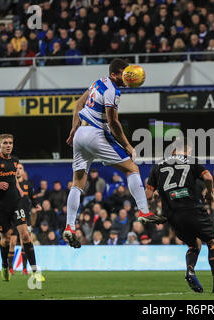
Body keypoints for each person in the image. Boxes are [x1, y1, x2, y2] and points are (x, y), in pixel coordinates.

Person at [63, 58, 164, 249]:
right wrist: (127, 145)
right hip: (95, 134)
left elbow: (78, 103)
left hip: (80, 135)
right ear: (114, 74)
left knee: (78, 183)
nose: (128, 77)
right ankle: (143, 211)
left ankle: (69, 225)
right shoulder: (112, 90)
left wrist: (73, 129)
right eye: (124, 74)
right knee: (132, 168)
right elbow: (113, 123)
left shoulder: (98, 82)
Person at [145, 140, 214, 293]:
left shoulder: (157, 166)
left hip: (172, 214)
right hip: (192, 209)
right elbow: (209, 178)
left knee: (193, 245)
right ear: (186, 152)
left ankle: (190, 270)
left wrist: (147, 211)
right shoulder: (191, 161)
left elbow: (148, 194)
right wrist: (209, 194)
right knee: (212, 242)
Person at [0, 134, 45, 282]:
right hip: (0, 205)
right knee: (5, 239)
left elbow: (13, 176)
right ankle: (5, 266)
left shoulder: (15, 160)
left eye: (11, 143)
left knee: (25, 235)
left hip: (16, 202)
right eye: (5, 143)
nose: (8, 145)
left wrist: (18, 188)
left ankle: (35, 271)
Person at [8, 163, 42, 275]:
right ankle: (10, 268)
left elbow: (33, 197)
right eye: (16, 169)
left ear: (23, 171)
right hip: (13, 217)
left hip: (25, 217)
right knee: (12, 242)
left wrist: (36, 205)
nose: (18, 171)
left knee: (25, 241)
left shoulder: (28, 185)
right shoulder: (11, 184)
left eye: (20, 169)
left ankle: (24, 268)